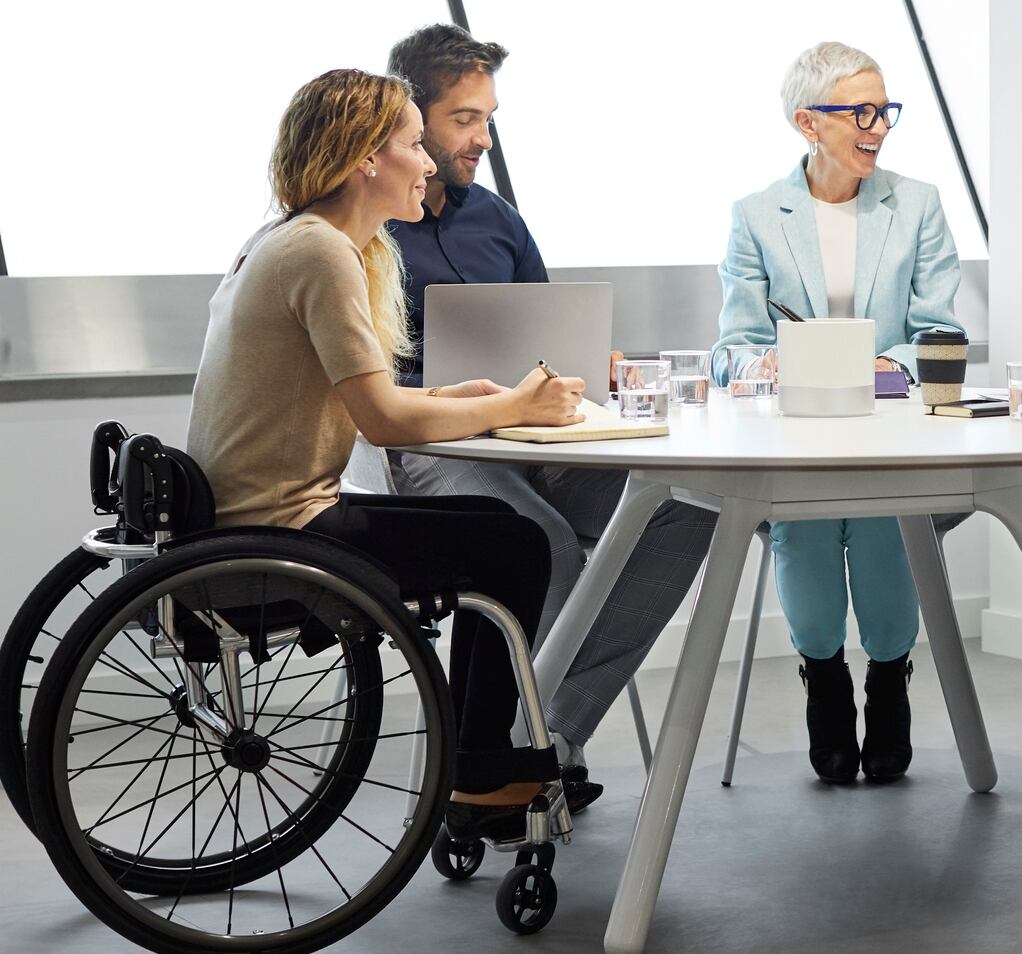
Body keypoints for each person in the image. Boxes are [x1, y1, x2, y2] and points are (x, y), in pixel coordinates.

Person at [186, 69, 584, 841]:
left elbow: (366, 405)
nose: (429, 163)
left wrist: (464, 399)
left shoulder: (287, 240)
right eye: (412, 145)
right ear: (367, 157)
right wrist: (515, 406)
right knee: (515, 543)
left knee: (492, 532)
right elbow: (383, 420)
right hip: (283, 529)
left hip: (252, 516)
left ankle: (477, 760)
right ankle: (479, 765)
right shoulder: (321, 252)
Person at [383, 24, 718, 810]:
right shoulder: (366, 224)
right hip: (435, 441)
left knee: (685, 507)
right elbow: (372, 390)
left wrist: (587, 369)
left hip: (532, 431)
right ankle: (491, 756)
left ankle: (551, 734)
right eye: (465, 118)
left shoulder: (496, 217)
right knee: (539, 542)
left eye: (488, 118)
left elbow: (545, 329)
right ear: (412, 116)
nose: (483, 137)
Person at [713, 41, 963, 783]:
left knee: (886, 541)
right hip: (797, 430)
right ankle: (823, 677)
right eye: (858, 111)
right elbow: (734, 344)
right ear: (806, 123)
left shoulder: (916, 203)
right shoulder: (757, 215)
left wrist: (892, 364)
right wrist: (762, 363)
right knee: (807, 539)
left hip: (888, 426)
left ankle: (889, 682)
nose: (877, 126)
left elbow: (937, 332)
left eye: (883, 109)